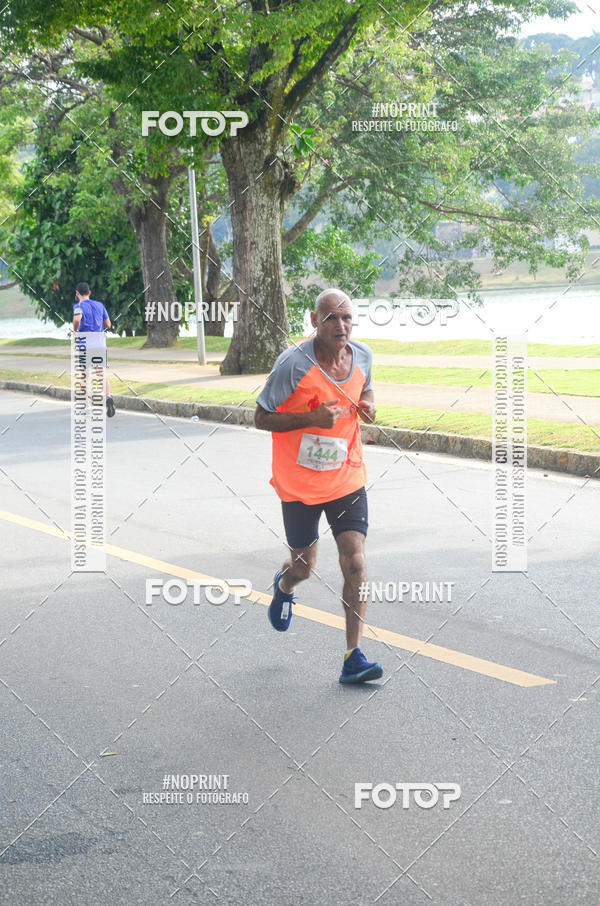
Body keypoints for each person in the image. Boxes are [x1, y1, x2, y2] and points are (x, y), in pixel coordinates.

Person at [254, 288, 383, 684]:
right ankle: (284, 584)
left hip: (346, 475)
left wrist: (370, 404)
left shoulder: (362, 355)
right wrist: (311, 420)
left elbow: (366, 389)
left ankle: (353, 656)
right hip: (300, 484)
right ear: (314, 322)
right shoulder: (293, 365)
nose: (340, 325)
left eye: (346, 318)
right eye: (330, 318)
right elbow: (260, 417)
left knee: (355, 560)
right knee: (304, 566)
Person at [72, 282, 115, 417]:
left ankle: (87, 406)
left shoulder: (78, 306)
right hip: (99, 343)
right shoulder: (100, 305)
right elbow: (108, 324)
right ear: (89, 292)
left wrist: (75, 331)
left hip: (85, 343)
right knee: (101, 373)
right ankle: (108, 397)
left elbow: (77, 319)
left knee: (85, 375)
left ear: (77, 293)